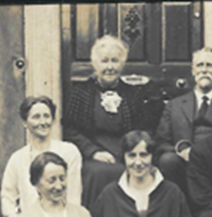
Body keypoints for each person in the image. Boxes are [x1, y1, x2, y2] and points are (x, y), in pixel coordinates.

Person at [63, 35, 149, 207]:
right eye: (104, 61)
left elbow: (143, 130)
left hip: (127, 153)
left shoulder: (133, 94)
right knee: (99, 173)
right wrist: (94, 152)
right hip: (95, 155)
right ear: (95, 64)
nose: (110, 67)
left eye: (115, 61)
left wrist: (131, 153)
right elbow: (71, 130)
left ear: (122, 63)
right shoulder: (81, 92)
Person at [155, 47, 212, 195]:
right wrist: (180, 151)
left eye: (210, 65)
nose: (204, 70)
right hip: (184, 165)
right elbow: (161, 143)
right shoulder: (174, 105)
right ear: (193, 71)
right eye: (200, 65)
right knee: (168, 160)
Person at [1, 96, 82, 217]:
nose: (43, 122)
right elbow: (7, 197)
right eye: (36, 117)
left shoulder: (69, 152)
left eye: (46, 116)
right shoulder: (18, 158)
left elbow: (74, 196)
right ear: (25, 122)